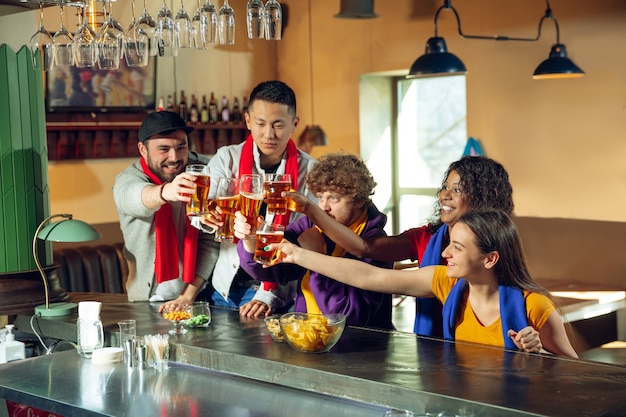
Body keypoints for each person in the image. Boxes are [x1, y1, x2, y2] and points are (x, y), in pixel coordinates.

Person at [270, 209, 578, 357]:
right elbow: (368, 276)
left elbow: (576, 374)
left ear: (490, 259)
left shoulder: (534, 306)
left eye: (457, 247)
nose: (444, 253)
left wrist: (541, 355)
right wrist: (297, 255)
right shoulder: (445, 283)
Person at [285, 155, 514, 337]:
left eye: (456, 190)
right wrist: (305, 235)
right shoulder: (429, 247)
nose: (444, 195)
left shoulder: (499, 253)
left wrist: (310, 223)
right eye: (445, 187)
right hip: (434, 351)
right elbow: (365, 257)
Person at [234, 152, 394, 330]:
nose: (324, 207)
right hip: (309, 339)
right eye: (320, 196)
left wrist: (315, 257)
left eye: (334, 198)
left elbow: (348, 318)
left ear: (359, 200)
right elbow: (269, 270)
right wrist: (251, 239)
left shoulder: (376, 244)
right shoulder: (310, 224)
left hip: (361, 350)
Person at [196, 80, 316, 318]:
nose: (268, 134)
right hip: (225, 288)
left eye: (278, 125)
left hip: (280, 296)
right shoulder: (226, 158)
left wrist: (268, 294)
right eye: (260, 123)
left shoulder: (311, 171)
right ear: (248, 121)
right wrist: (207, 215)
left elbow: (310, 241)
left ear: (294, 124)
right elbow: (201, 211)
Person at [113, 111, 219, 305]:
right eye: (163, 149)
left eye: (181, 147)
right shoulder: (128, 179)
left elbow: (211, 241)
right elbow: (133, 197)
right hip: (147, 299)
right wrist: (166, 192)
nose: (174, 157)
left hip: (200, 295)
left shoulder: (205, 170)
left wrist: (187, 296)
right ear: (142, 150)